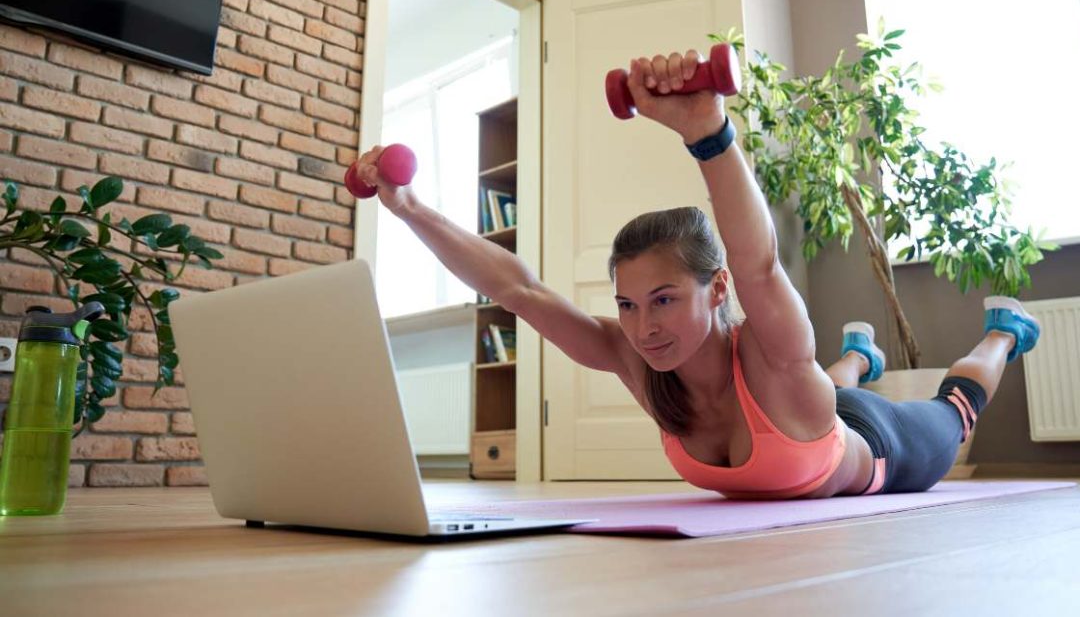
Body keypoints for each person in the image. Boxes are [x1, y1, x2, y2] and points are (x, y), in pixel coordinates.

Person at [351, 50, 1041, 499]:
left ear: (716, 291)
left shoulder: (768, 344)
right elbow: (518, 290)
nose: (643, 327)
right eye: (626, 304)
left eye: (663, 299)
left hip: (877, 448)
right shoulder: (636, 359)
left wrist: (707, 133)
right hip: (805, 407)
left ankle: (1004, 333)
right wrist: (407, 207)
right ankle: (857, 357)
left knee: (954, 416)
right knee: (815, 389)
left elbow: (758, 262)